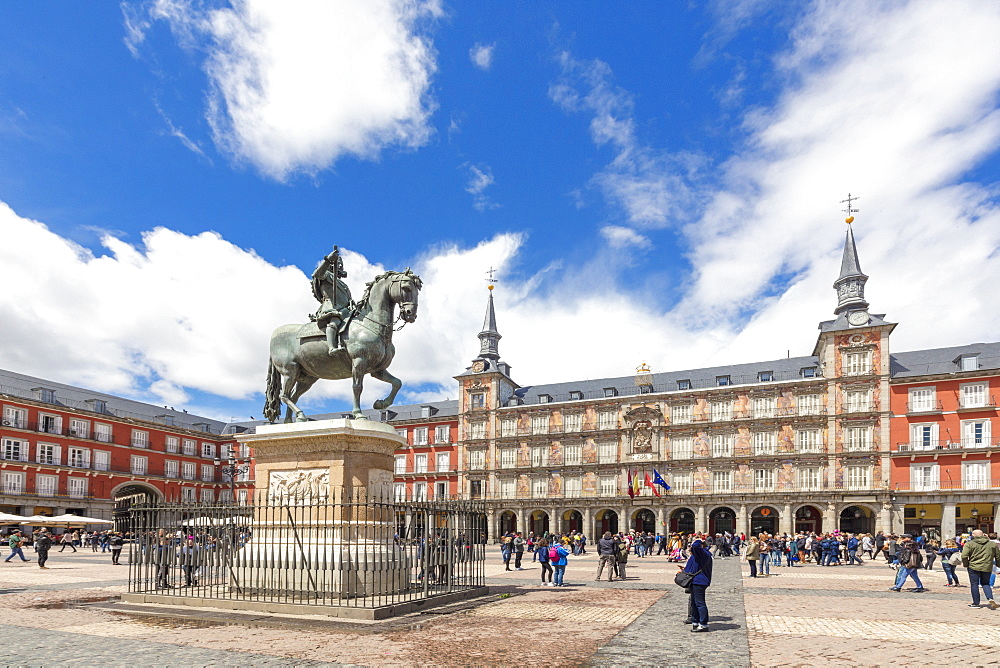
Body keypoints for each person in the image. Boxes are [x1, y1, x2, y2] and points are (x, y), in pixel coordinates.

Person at [311, 247, 353, 355]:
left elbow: (346, 298)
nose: (339, 266)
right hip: (331, 307)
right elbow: (317, 274)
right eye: (337, 263)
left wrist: (351, 302)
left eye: (340, 264)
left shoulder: (343, 284)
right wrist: (328, 260)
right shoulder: (325, 275)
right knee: (335, 321)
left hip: (345, 310)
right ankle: (331, 348)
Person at [961, 529, 1000, 609]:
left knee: (974, 584)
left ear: (973, 535)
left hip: (973, 566)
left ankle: (976, 603)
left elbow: (964, 555)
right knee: (986, 583)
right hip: (987, 566)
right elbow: (998, 556)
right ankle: (990, 598)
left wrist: (966, 564)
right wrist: (998, 564)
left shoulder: (969, 544)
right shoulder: (992, 544)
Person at [681, 538, 713, 632]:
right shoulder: (698, 555)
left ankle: (703, 624)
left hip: (700, 581)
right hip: (694, 580)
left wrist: (698, 540)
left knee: (700, 603)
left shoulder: (703, 554)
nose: (691, 548)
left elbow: (695, 546)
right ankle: (695, 622)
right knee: (694, 603)